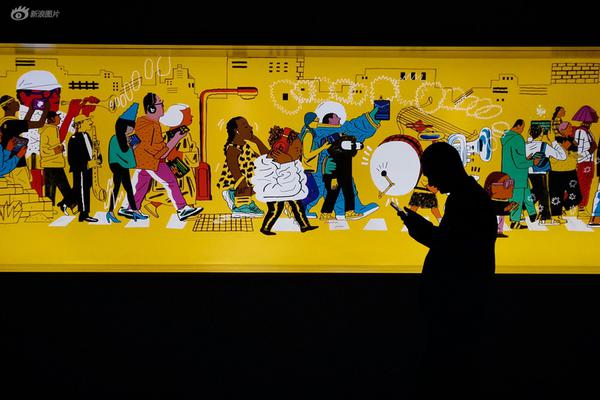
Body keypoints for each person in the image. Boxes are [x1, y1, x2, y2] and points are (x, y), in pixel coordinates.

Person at [396, 142, 497, 399]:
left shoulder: (465, 200)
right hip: (459, 302)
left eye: (432, 174)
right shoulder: (469, 196)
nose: (431, 182)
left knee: (444, 369)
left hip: (455, 303)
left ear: (445, 169)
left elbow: (452, 248)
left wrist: (420, 229)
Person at [122, 93, 202, 221]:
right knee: (171, 182)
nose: (163, 106)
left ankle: (129, 208)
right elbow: (162, 153)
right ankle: (182, 209)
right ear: (152, 108)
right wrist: (176, 138)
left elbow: (136, 141)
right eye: (160, 104)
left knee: (141, 184)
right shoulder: (152, 126)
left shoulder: (142, 121)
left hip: (142, 160)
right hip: (152, 162)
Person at [251, 126, 317, 235]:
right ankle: (265, 228)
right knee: (276, 209)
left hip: (289, 190)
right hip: (275, 191)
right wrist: (287, 165)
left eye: (301, 150)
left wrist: (289, 164)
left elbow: (294, 179)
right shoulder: (272, 163)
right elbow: (280, 179)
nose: (300, 153)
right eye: (297, 149)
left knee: (298, 206)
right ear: (282, 148)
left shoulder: (290, 162)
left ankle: (304, 225)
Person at [106, 103, 147, 223]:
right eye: (130, 127)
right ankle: (111, 212)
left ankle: (134, 211)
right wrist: (131, 147)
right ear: (123, 126)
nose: (132, 130)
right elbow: (123, 154)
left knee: (128, 189)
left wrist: (131, 146)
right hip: (118, 166)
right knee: (117, 188)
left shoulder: (123, 138)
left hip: (122, 166)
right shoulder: (115, 138)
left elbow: (126, 154)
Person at [39, 111, 77, 215]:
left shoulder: (54, 129)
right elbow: (43, 150)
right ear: (52, 119)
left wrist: (60, 148)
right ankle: (71, 205)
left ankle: (51, 209)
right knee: (61, 187)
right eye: (57, 117)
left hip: (54, 163)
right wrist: (57, 150)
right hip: (52, 164)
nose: (59, 119)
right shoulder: (47, 131)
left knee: (52, 188)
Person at [67, 115, 99, 223]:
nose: (90, 123)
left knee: (85, 190)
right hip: (80, 170)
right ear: (80, 124)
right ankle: (84, 214)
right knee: (82, 191)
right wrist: (88, 164)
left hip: (88, 169)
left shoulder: (87, 135)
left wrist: (98, 158)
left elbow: (91, 151)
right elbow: (72, 160)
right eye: (87, 121)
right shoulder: (73, 139)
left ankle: (66, 204)